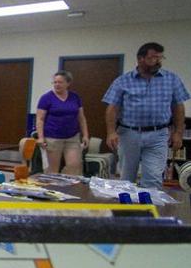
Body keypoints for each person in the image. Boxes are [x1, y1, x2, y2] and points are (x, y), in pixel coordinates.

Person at [103, 42, 189, 189]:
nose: (158, 61)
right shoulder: (123, 81)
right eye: (153, 57)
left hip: (158, 135)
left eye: (160, 58)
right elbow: (112, 108)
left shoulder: (171, 79)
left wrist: (178, 133)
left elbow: (178, 107)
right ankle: (127, 210)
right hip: (129, 134)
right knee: (126, 178)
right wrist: (111, 132)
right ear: (140, 58)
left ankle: (149, 210)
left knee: (154, 178)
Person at [35, 70, 89, 175]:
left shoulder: (75, 97)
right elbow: (40, 119)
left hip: (72, 136)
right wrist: (41, 137)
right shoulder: (46, 98)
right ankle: (52, 189)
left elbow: (81, 118)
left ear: (68, 83)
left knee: (74, 165)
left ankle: (68, 188)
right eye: (55, 82)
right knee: (53, 169)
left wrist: (85, 135)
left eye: (60, 82)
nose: (57, 84)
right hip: (53, 137)